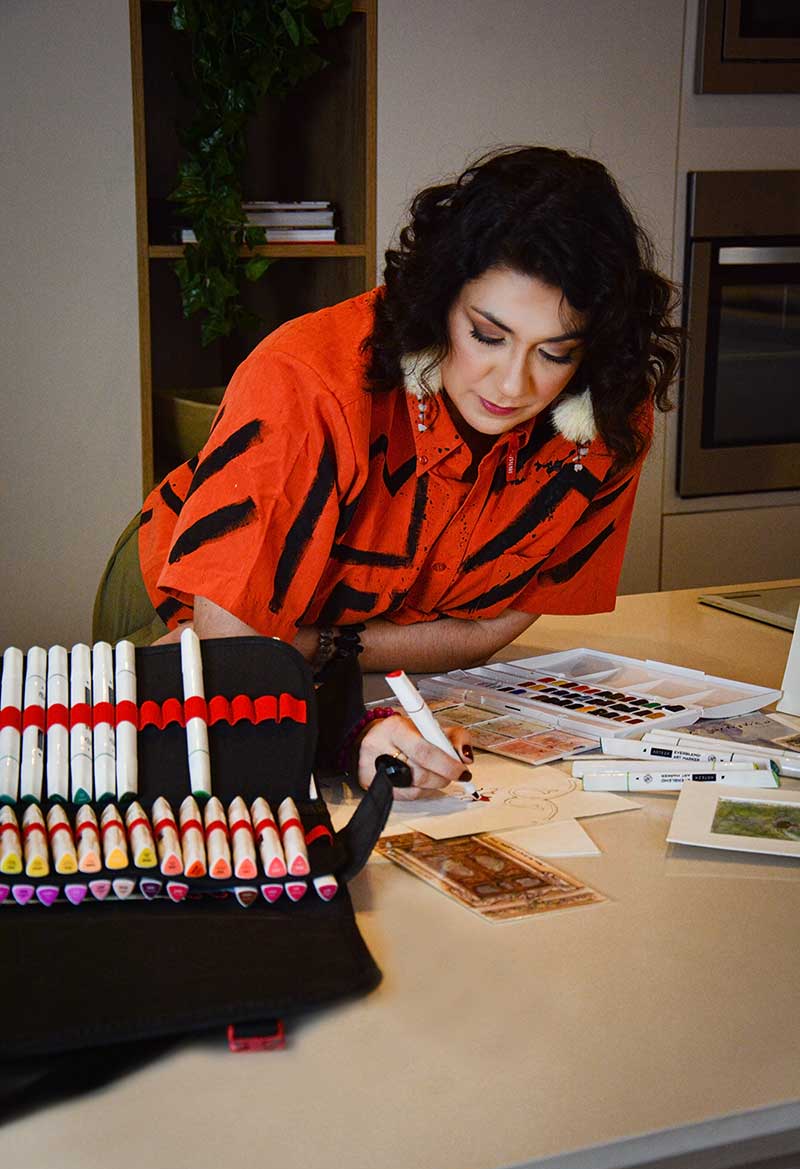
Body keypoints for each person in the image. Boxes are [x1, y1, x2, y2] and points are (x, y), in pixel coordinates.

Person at [95, 145, 682, 796]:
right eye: (488, 336)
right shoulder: (309, 381)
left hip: (353, 653)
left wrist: (316, 647)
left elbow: (485, 634)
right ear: (438, 300)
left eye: (555, 353)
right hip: (187, 615)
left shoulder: (607, 417)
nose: (513, 385)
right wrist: (351, 731)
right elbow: (231, 659)